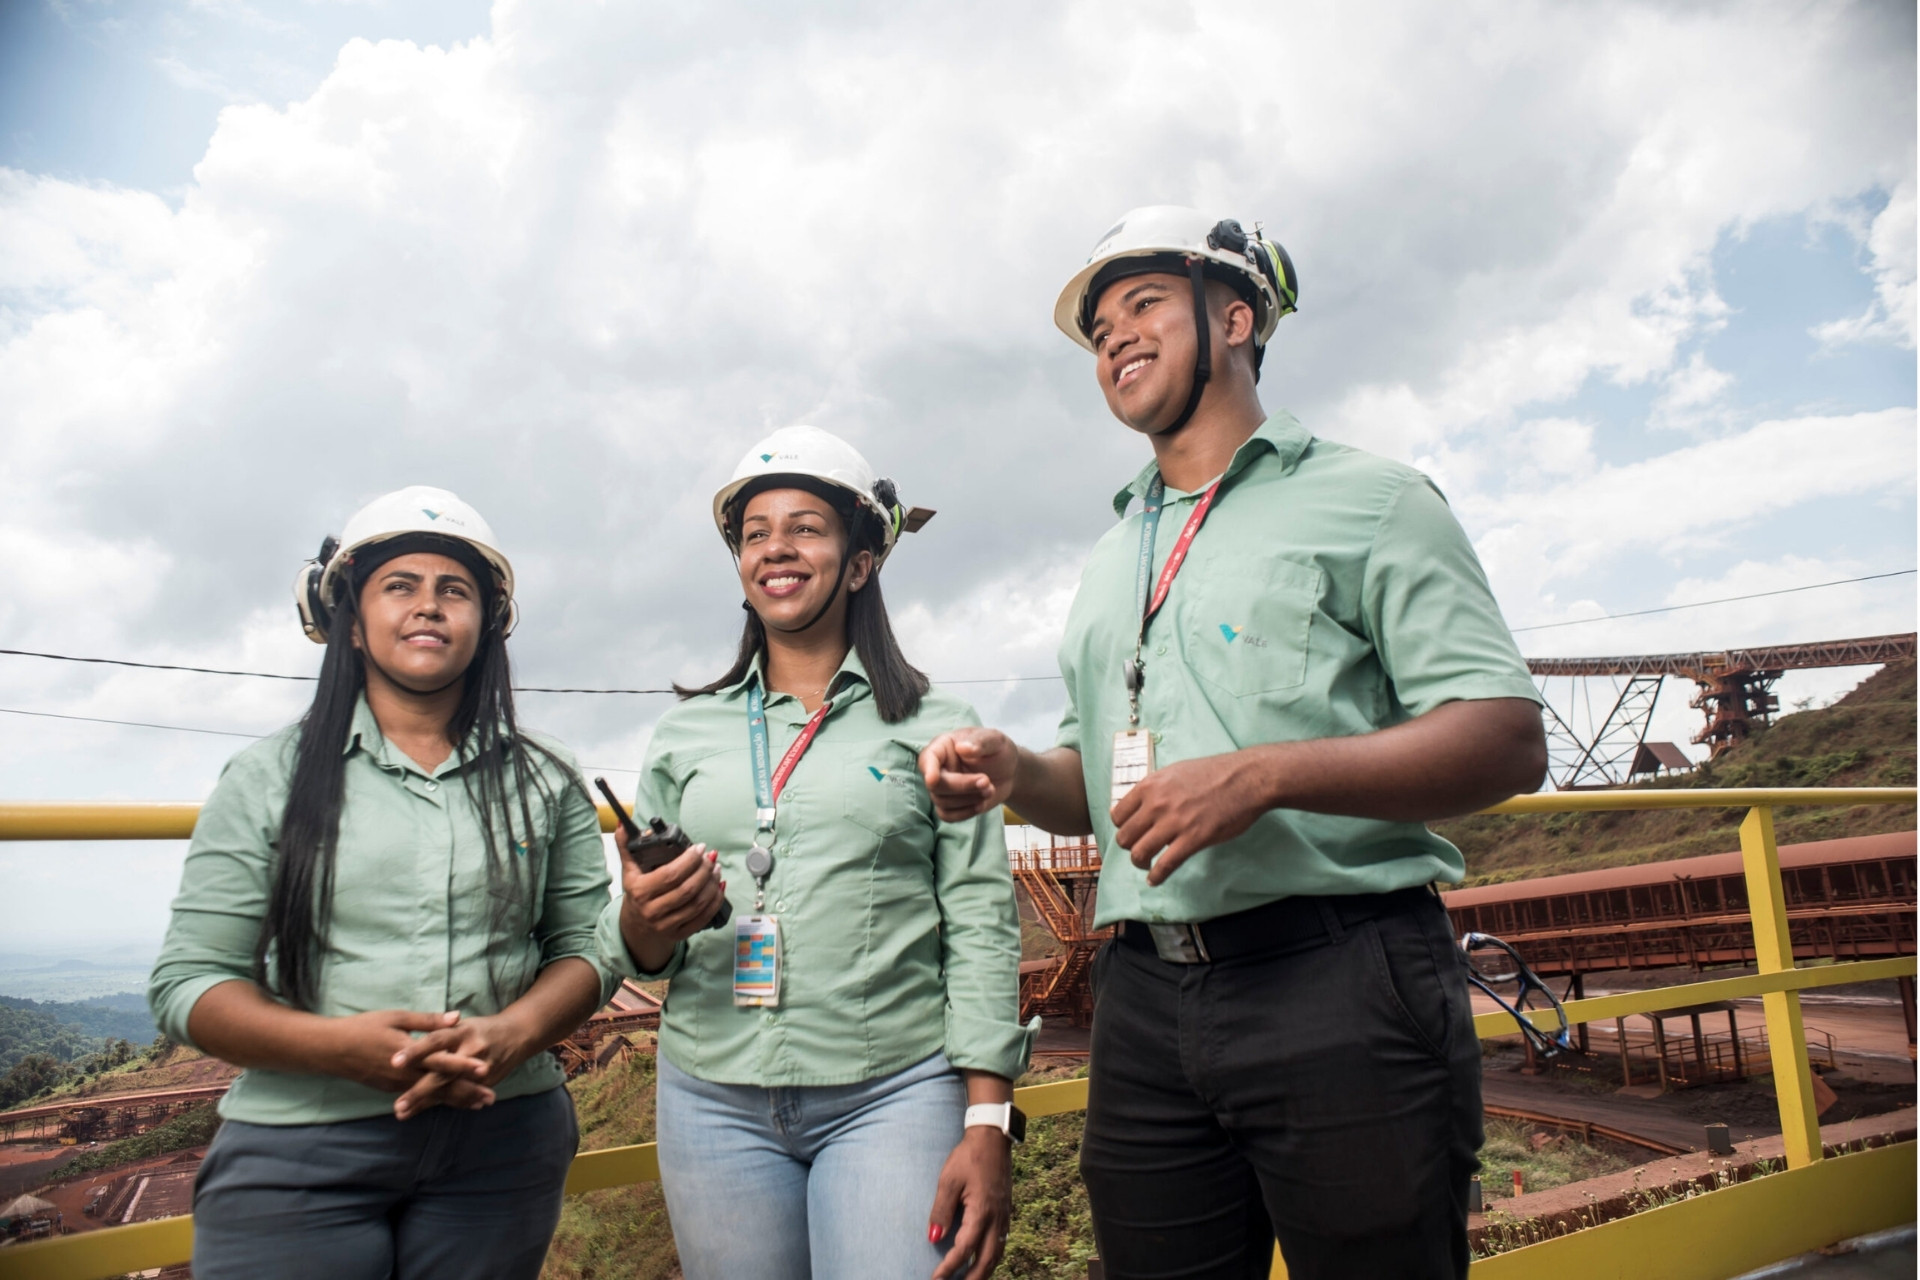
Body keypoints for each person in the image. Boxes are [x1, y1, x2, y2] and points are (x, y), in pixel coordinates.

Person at [920, 207, 1549, 1280]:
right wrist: (1016, 771)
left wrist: (1264, 776)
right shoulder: (1115, 555)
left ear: (1237, 316)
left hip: (1339, 975)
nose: (1115, 337)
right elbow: (1092, 785)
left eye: (1145, 303)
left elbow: (1504, 738)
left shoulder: (1374, 500)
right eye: (1099, 328)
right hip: (1144, 998)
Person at [148, 486, 619, 1280]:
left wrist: (513, 1035)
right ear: (350, 622)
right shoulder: (265, 778)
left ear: (489, 624)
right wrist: (336, 1049)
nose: (428, 605)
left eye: (454, 590)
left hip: (504, 1142)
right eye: (400, 585)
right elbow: (189, 982)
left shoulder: (547, 776)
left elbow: (586, 948)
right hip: (299, 1147)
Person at [599, 425, 1033, 1280]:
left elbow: (981, 925)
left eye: (804, 528)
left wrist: (989, 1123)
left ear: (861, 562)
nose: (776, 548)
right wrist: (646, 918)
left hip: (893, 1093)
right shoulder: (684, 734)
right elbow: (644, 951)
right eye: (755, 533)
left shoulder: (941, 727)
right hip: (709, 1103)